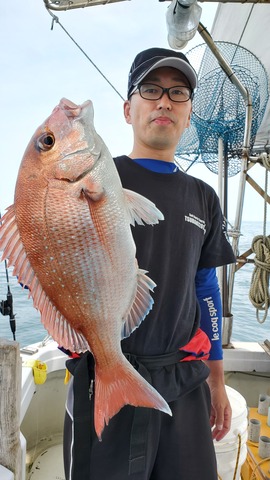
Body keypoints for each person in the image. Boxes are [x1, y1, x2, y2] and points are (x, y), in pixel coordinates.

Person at [63, 47, 235, 480]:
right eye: (151, 89)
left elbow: (206, 290)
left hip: (184, 382)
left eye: (178, 93)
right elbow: (50, 255)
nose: (164, 101)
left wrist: (216, 381)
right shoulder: (92, 180)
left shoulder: (204, 197)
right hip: (104, 374)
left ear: (189, 113)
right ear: (127, 109)